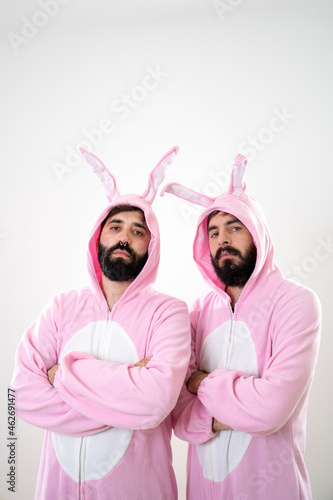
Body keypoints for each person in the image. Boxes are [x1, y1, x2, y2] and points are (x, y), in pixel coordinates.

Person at [11, 147, 191, 500]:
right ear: (99, 238)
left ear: (151, 246)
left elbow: (154, 403)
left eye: (138, 231)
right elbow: (23, 396)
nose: (124, 237)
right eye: (115, 227)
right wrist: (124, 394)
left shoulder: (170, 313)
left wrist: (62, 376)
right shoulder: (62, 307)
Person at [162, 154, 321, 500]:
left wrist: (202, 381)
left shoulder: (296, 303)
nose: (222, 240)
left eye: (234, 227)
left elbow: (270, 411)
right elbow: (179, 418)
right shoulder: (196, 313)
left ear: (257, 233)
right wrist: (241, 405)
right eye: (214, 232)